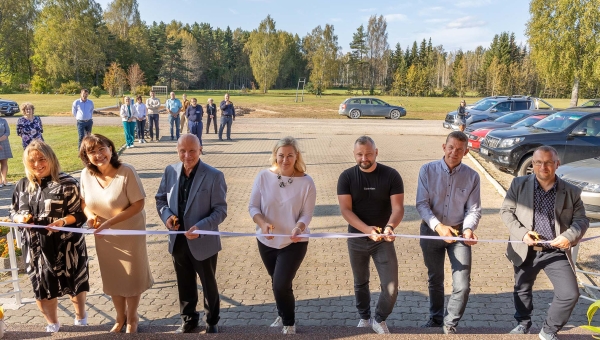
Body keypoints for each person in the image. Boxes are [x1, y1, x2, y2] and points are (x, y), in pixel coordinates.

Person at [501, 146, 589, 340]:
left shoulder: (571, 191)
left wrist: (569, 236)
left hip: (555, 251)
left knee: (570, 294)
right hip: (525, 248)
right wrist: (522, 234)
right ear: (533, 164)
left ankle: (548, 330)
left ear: (557, 164)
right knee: (522, 288)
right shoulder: (518, 184)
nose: (543, 166)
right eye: (539, 162)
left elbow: (581, 220)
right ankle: (523, 323)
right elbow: (506, 211)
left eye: (549, 162)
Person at [10, 140, 89, 333]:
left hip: (66, 244)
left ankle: (81, 318)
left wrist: (61, 222)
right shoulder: (22, 185)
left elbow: (80, 214)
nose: (37, 164)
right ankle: (52, 324)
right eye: (32, 161)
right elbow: (12, 212)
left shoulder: (67, 183)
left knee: (74, 283)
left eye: (41, 159)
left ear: (51, 158)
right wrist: (19, 217)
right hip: (35, 246)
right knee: (41, 285)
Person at [79, 134, 153, 333]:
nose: (98, 154)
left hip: (129, 232)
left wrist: (110, 222)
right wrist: (89, 216)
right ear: (86, 156)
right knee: (114, 276)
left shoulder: (126, 171)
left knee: (131, 276)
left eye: (101, 148)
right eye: (91, 152)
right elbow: (84, 202)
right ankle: (120, 317)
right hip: (104, 236)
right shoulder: (86, 174)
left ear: (111, 148)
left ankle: (132, 317)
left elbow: (139, 204)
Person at [155, 134, 226, 334]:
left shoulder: (214, 175)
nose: (187, 155)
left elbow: (220, 210)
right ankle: (188, 320)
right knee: (184, 282)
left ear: (200, 149)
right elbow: (160, 199)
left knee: (208, 283)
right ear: (177, 151)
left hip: (203, 241)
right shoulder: (170, 171)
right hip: (177, 240)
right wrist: (167, 217)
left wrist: (201, 227)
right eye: (182, 151)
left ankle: (211, 321)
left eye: (192, 150)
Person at [248, 137, 316, 335]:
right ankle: (282, 312)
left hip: (294, 241)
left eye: (289, 156)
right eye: (281, 155)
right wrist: (262, 224)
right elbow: (253, 207)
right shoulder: (263, 177)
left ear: (296, 157)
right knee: (278, 281)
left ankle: (289, 323)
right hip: (266, 240)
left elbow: (307, 213)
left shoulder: (306, 182)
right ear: (275, 156)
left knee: (280, 284)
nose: (285, 160)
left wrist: (299, 227)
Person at [337, 136, 404, 334]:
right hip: (356, 239)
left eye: (368, 153)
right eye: (359, 154)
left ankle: (380, 319)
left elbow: (398, 208)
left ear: (376, 152)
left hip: (383, 239)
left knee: (391, 286)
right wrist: (367, 230)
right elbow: (346, 211)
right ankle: (364, 317)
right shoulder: (346, 177)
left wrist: (390, 227)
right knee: (360, 281)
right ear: (354, 154)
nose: (364, 158)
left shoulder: (391, 175)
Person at [416, 131, 481, 334]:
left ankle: (450, 323)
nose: (454, 152)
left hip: (460, 234)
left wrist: (469, 229)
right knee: (435, 279)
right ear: (444, 147)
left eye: (460, 149)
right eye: (451, 147)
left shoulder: (472, 176)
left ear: (466, 152)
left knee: (462, 284)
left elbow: (474, 209)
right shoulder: (427, 170)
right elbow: (421, 204)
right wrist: (438, 227)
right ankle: (435, 319)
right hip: (431, 231)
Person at [0, 117, 13, 187]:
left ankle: (4, 180)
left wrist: (1, 139)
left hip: (5, 144)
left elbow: (7, 132)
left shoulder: (3, 121)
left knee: (4, 163)